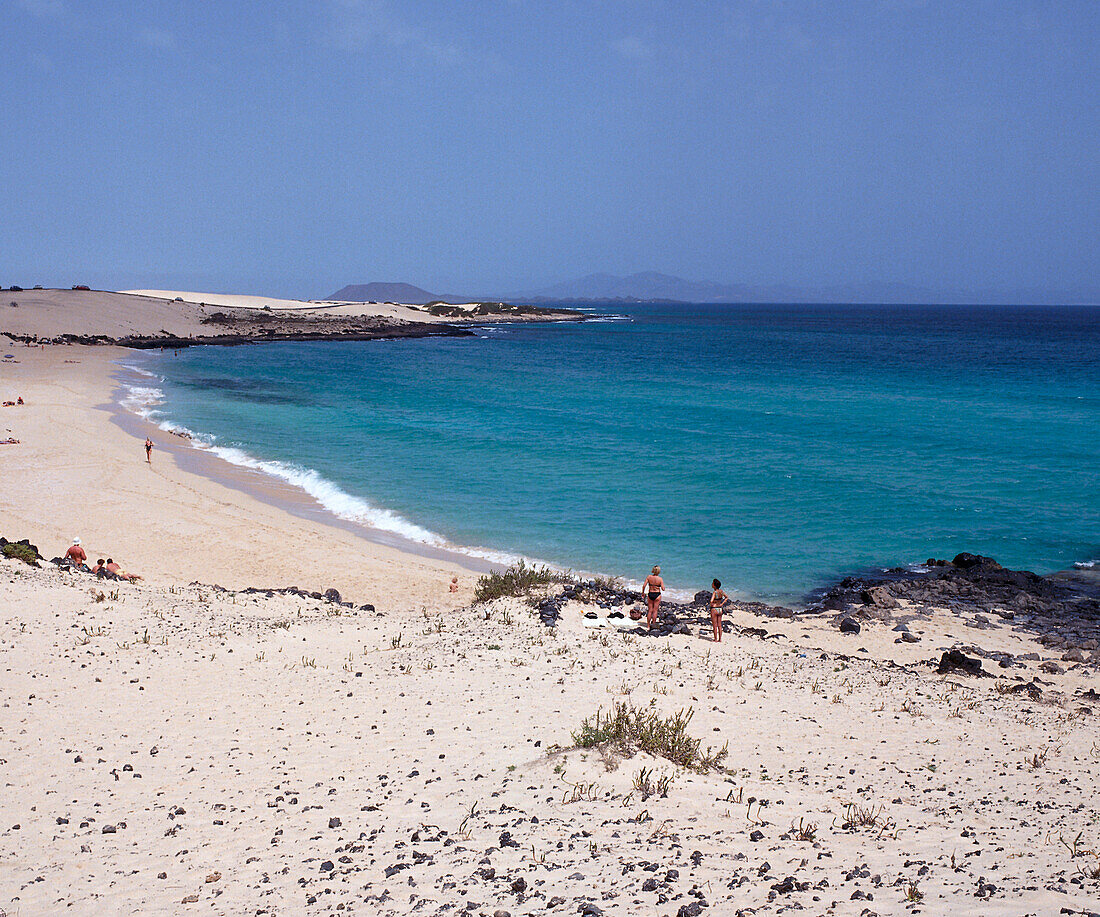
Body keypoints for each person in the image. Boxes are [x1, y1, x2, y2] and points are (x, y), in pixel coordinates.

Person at [643, 565, 664, 631]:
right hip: (657, 594)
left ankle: (648, 626)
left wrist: (642, 593)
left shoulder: (649, 577)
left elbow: (644, 585)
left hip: (650, 594)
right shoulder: (660, 579)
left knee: (650, 610)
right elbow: (663, 589)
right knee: (655, 611)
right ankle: (654, 624)